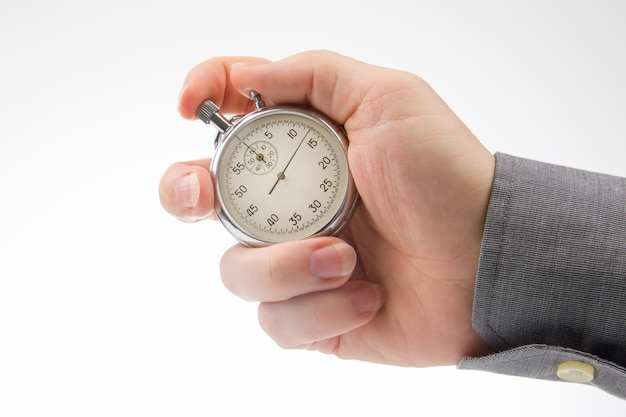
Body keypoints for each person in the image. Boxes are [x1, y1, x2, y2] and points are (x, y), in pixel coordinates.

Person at [159, 50, 626, 399]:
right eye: (255, 166)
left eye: (282, 153)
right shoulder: (232, 185)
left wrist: (481, 237)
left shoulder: (314, 131)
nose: (275, 170)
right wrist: (473, 267)